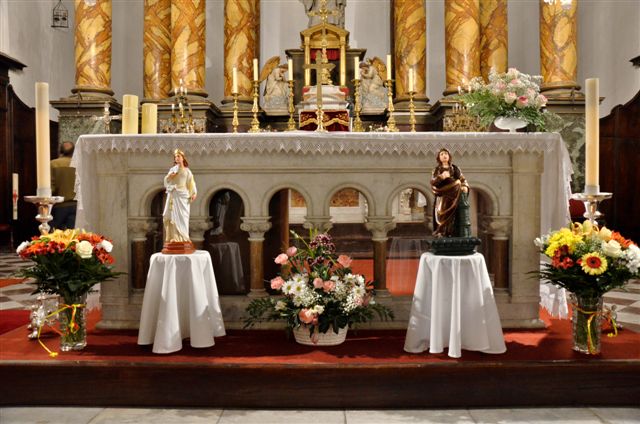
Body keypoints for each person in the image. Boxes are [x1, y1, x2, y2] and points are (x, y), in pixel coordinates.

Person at [430, 148, 471, 237]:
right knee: (441, 212)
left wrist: (464, 186)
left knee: (455, 215)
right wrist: (441, 177)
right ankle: (441, 231)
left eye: (446, 154)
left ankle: (451, 232)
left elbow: (462, 179)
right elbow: (433, 182)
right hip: (443, 194)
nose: (444, 156)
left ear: (449, 156)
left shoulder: (455, 168)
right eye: (441, 154)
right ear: (439, 157)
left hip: (455, 195)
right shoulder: (437, 170)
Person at [163, 149, 197, 243]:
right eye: (175, 157)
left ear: (183, 158)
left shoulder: (187, 171)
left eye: (178, 156)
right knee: (170, 215)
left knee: (182, 217)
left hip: (183, 196)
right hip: (173, 194)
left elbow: (191, 183)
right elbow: (166, 181)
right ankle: (174, 237)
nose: (177, 158)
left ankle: (183, 237)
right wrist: (170, 177)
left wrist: (193, 193)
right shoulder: (172, 170)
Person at [50, 141, 77, 230]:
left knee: (55, 234)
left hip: (59, 206)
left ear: (60, 150)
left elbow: (51, 188)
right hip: (75, 205)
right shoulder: (78, 164)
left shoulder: (53, 164)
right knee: (72, 234)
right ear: (74, 151)